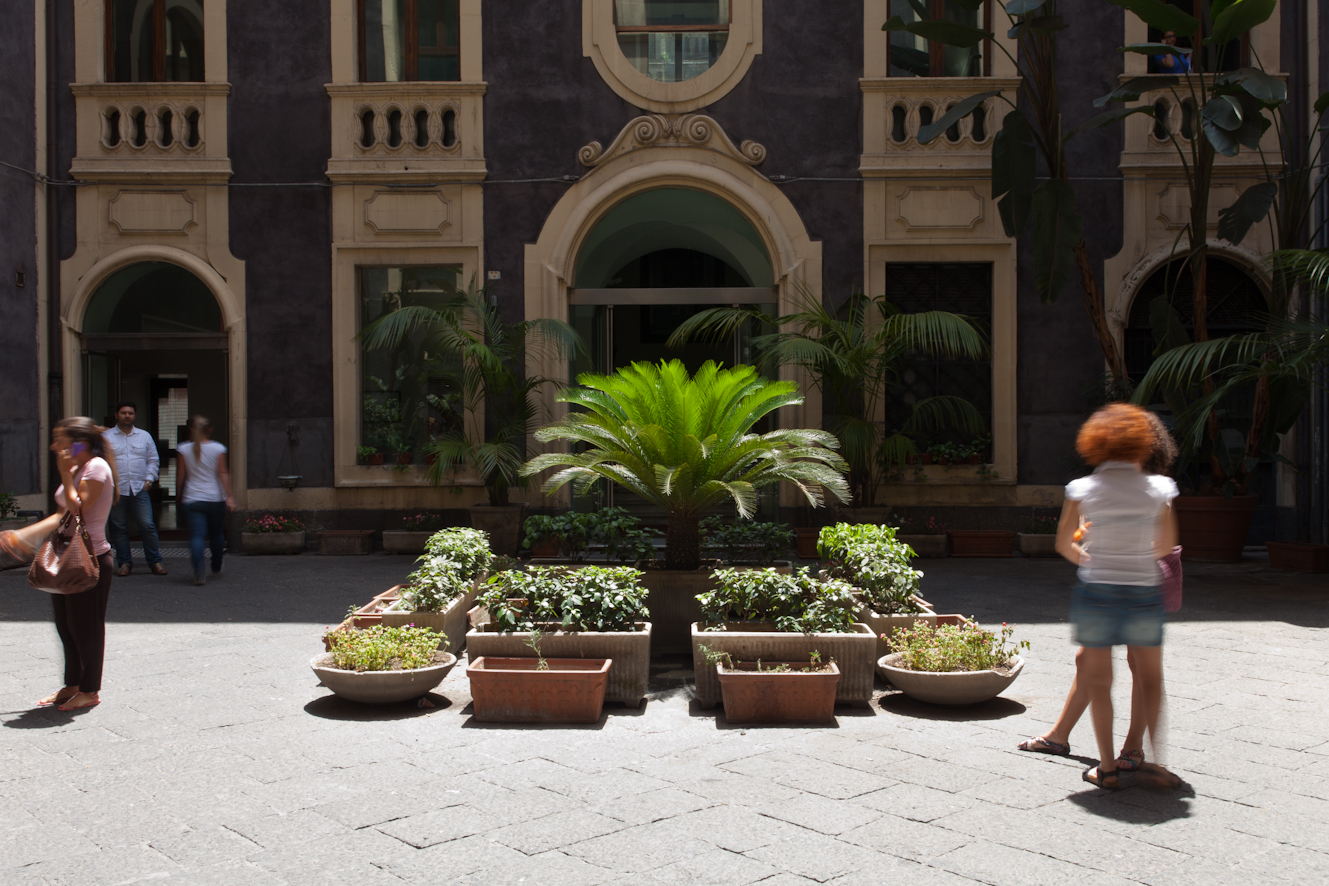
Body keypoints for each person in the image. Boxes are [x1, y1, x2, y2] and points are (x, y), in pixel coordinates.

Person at [1018, 413, 1181, 778]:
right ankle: (1061, 735)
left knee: (1137, 668)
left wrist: (1098, 550)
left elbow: (1156, 541)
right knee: (1090, 663)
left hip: (1127, 580)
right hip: (1138, 580)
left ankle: (1132, 748)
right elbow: (1080, 535)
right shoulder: (1140, 487)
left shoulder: (1148, 485)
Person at [41, 417, 119, 711]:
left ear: (78, 444)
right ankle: (72, 684)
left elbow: (78, 510)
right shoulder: (78, 468)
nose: (53, 447)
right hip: (66, 558)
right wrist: (20, 536)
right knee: (66, 624)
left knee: (86, 626)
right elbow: (61, 516)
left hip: (91, 558)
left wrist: (63, 474)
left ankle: (90, 690)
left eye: (59, 441)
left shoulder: (96, 468)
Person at [102, 402, 166, 576]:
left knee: (147, 525)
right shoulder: (106, 437)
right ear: (117, 415)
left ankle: (155, 562)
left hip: (139, 489)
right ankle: (124, 564)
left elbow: (153, 460)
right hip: (116, 491)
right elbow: (99, 460)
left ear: (135, 416)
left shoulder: (144, 436)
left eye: (130, 413)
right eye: (123, 413)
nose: (127, 416)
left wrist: (149, 480)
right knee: (119, 528)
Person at [176, 415, 234, 586]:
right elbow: (223, 473)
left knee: (197, 535)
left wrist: (179, 494)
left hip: (192, 498)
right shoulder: (218, 448)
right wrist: (229, 495)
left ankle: (199, 571)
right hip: (215, 498)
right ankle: (216, 566)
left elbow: (181, 475)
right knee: (216, 534)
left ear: (191, 430)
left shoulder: (183, 448)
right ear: (209, 429)